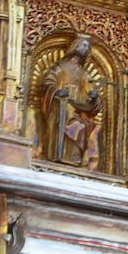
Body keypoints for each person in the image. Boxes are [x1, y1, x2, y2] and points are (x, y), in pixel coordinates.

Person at [38, 33, 104, 169]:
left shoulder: (84, 74)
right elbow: (48, 82)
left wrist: (94, 97)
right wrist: (56, 91)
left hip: (78, 108)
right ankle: (57, 155)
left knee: (82, 126)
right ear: (75, 46)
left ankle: (74, 159)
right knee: (70, 120)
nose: (85, 48)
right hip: (60, 106)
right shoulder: (60, 67)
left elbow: (90, 96)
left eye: (87, 46)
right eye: (83, 45)